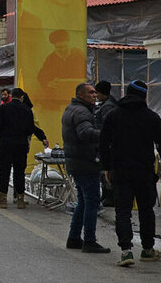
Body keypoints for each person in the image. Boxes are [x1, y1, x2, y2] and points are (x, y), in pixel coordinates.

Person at [100, 80, 161, 267]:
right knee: (147, 211)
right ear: (144, 96)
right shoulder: (152, 117)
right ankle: (147, 250)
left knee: (122, 211)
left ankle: (126, 251)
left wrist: (107, 168)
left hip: (120, 171)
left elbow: (103, 143)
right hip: (144, 172)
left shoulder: (114, 116)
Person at [62, 82, 110, 253]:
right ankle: (89, 240)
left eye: (95, 92)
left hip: (77, 161)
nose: (94, 95)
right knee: (92, 201)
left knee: (83, 201)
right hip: (86, 162)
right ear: (81, 95)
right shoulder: (82, 111)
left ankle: (74, 238)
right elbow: (86, 133)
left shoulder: (72, 108)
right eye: (90, 93)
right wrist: (107, 134)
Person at [0, 88, 49, 209]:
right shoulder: (27, 110)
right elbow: (31, 128)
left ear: (11, 96)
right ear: (22, 97)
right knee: (19, 172)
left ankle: (2, 200)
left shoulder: (4, 108)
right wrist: (42, 137)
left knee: (4, 171)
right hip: (21, 144)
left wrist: (3, 135)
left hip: (6, 143)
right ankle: (20, 200)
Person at [94, 80, 117, 207]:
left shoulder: (108, 106)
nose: (95, 95)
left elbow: (108, 127)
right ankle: (107, 194)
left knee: (105, 170)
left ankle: (109, 196)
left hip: (107, 144)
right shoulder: (107, 104)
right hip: (105, 142)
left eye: (97, 92)